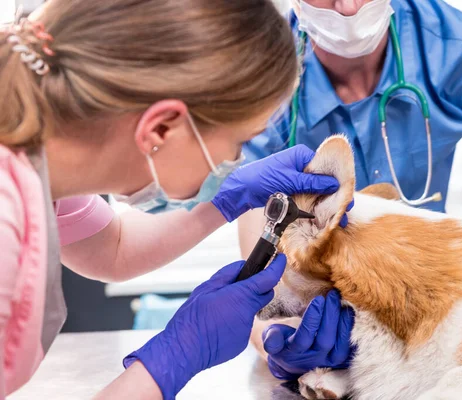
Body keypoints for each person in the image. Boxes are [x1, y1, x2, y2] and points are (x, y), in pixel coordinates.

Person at [0, 1, 353, 399]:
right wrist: (179, 352)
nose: (234, 162)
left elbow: (114, 248)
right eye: (237, 144)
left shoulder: (42, 171)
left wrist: (229, 196)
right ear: (161, 127)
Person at [240, 0, 462, 383]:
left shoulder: (453, 45)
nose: (347, 7)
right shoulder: (258, 72)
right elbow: (255, 281)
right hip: (329, 308)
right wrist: (278, 344)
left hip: (424, 294)